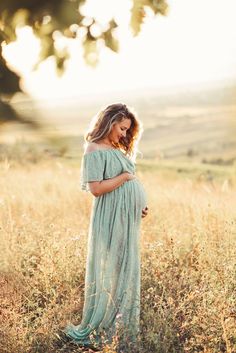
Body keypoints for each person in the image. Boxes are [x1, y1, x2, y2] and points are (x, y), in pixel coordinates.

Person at [64, 103, 148, 351]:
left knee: (125, 266)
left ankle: (121, 325)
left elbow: (127, 186)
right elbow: (97, 189)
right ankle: (105, 325)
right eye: (122, 128)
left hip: (126, 218)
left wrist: (139, 206)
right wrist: (125, 178)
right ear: (110, 122)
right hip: (109, 218)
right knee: (110, 267)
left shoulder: (115, 148)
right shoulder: (93, 149)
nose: (124, 134)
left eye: (127, 130)